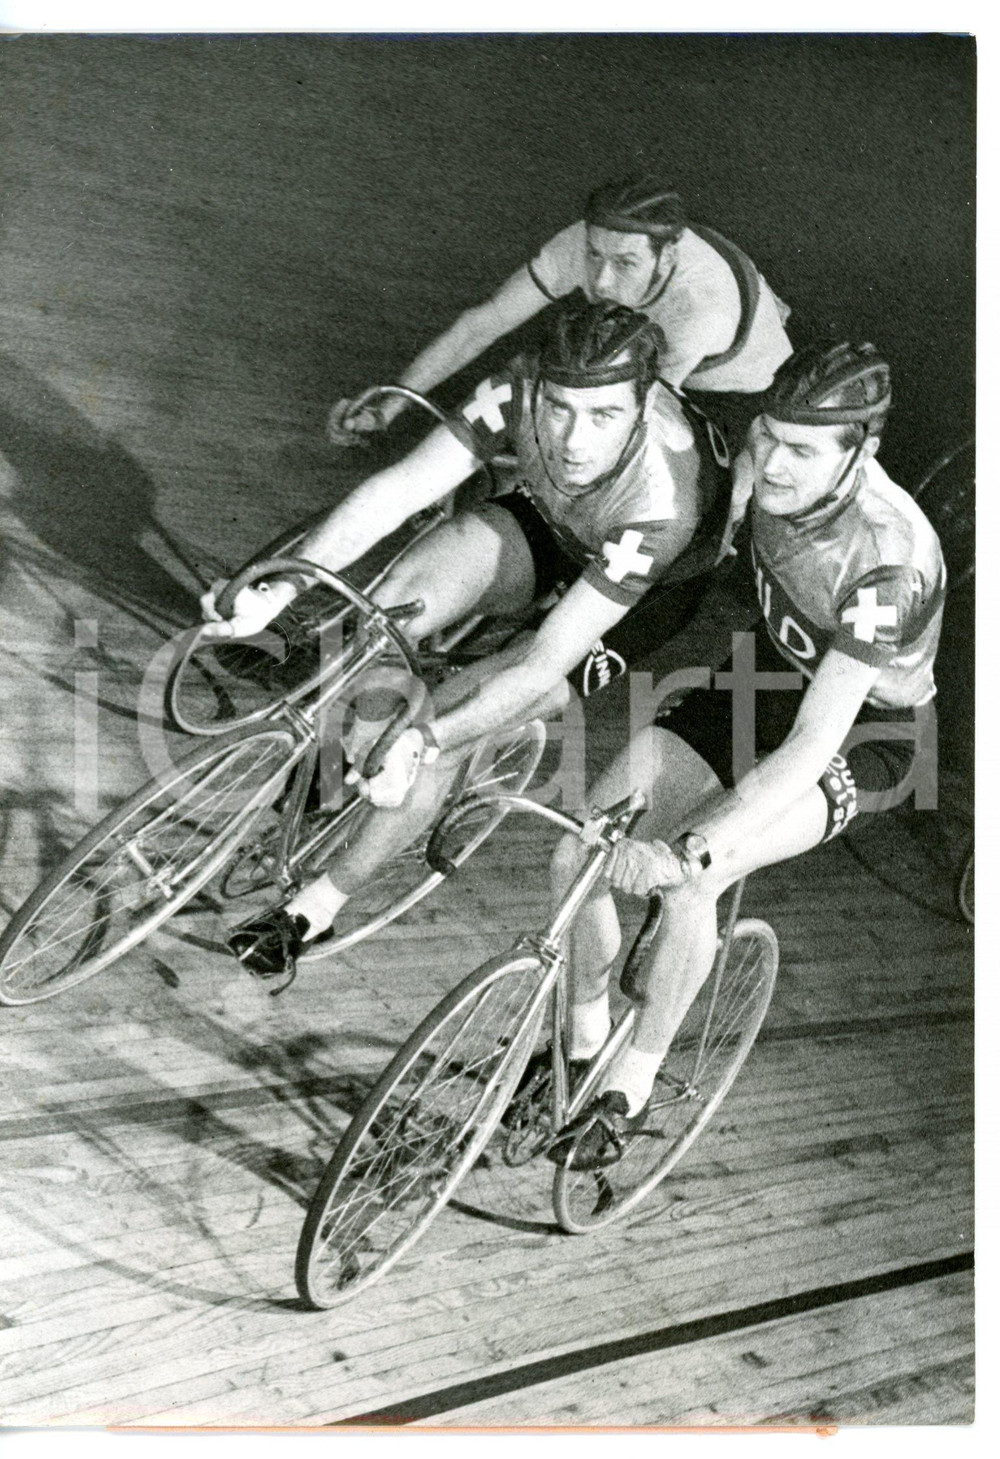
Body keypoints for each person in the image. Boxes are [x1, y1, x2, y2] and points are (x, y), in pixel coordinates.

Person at [201, 294, 732, 982]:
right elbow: (396, 492)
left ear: (643, 405)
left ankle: (314, 908)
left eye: (604, 416)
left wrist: (427, 738)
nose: (574, 441)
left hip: (644, 589)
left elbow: (544, 662)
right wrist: (282, 588)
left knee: (451, 721)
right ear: (537, 386)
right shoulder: (513, 388)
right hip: (555, 518)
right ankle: (341, 760)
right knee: (387, 609)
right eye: (559, 409)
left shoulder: (663, 500)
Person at [541, 341, 946, 1169]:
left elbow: (809, 746)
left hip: (863, 730)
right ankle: (583, 1046)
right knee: (577, 850)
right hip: (765, 674)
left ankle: (633, 1084)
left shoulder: (887, 559)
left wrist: (689, 844)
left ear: (860, 453)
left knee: (694, 876)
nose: (774, 461)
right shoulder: (763, 466)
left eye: (803, 450)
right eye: (768, 436)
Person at [327, 176, 793, 449]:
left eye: (625, 263)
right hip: (663, 335)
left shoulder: (699, 308)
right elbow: (482, 324)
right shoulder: (595, 241)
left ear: (667, 256)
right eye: (594, 256)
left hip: (739, 391)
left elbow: (635, 424)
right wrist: (392, 404)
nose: (602, 282)